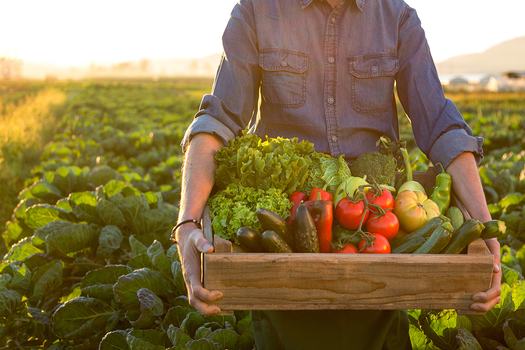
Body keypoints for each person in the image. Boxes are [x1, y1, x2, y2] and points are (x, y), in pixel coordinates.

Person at [174, 0, 502, 348]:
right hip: (284, 233)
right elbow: (217, 120)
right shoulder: (257, 10)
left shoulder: (397, 17)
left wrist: (484, 230)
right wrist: (187, 223)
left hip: (376, 229)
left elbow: (441, 126)